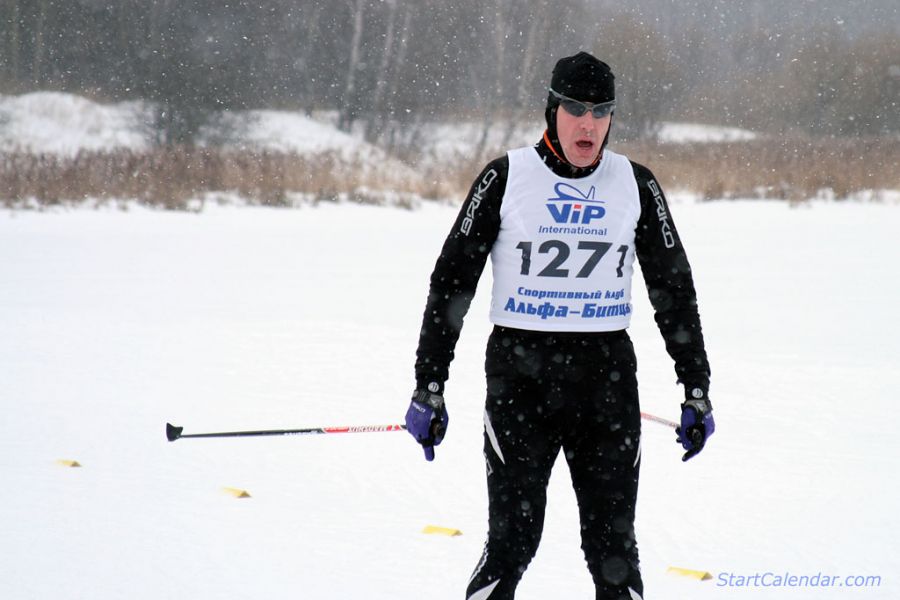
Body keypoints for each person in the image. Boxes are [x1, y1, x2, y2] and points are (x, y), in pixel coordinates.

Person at [404, 51, 714, 600]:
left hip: (606, 386)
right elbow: (452, 284)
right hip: (520, 385)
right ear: (552, 110)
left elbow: (674, 291)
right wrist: (430, 384)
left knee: (614, 555)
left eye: (601, 111)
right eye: (575, 108)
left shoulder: (636, 185)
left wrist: (697, 388)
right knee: (512, 544)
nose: (588, 123)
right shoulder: (506, 176)